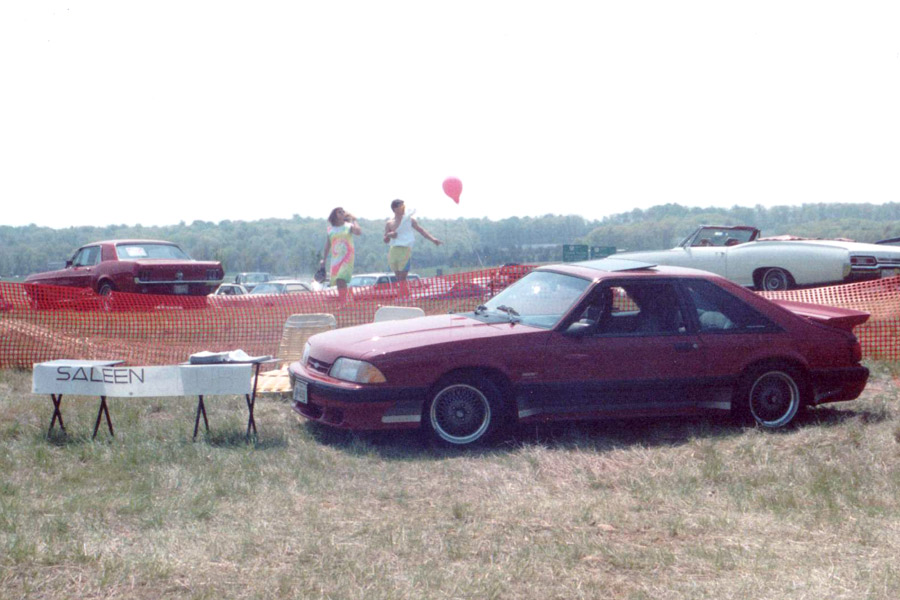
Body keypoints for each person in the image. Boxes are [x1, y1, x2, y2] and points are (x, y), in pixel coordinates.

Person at [383, 199, 442, 296]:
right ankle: (405, 297)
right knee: (399, 278)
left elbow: (421, 230)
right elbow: (385, 240)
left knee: (402, 277)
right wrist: (389, 235)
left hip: (405, 249)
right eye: (401, 206)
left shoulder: (409, 220)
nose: (403, 208)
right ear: (395, 208)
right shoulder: (389, 223)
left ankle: (405, 298)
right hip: (394, 250)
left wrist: (433, 239)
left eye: (404, 206)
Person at [322, 207, 361, 303]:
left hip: (347, 257)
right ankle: (344, 301)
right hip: (336, 258)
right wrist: (324, 259)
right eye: (339, 212)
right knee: (339, 281)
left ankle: (345, 301)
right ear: (334, 215)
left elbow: (358, 232)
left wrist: (354, 219)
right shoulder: (330, 229)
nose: (342, 213)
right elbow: (328, 245)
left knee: (341, 277)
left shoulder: (348, 226)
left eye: (343, 212)